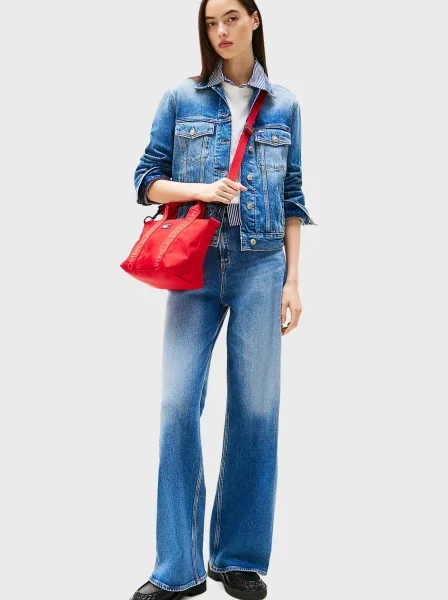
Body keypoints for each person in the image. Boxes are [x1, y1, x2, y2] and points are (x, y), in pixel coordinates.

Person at [128, 1, 316, 598]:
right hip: (195, 263)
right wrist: (204, 189)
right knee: (177, 406)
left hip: (262, 265)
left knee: (256, 410)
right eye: (211, 23)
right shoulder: (180, 97)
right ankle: (177, 570)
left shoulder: (284, 105)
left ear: (255, 20)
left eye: (231, 18)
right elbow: (145, 181)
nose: (221, 31)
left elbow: (292, 196)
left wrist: (292, 280)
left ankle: (238, 559)